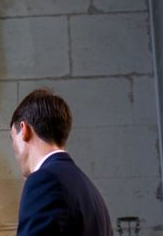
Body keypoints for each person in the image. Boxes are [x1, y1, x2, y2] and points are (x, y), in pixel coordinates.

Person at [10, 88, 112, 236]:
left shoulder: (44, 181)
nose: (14, 151)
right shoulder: (91, 193)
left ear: (24, 130)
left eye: (13, 139)